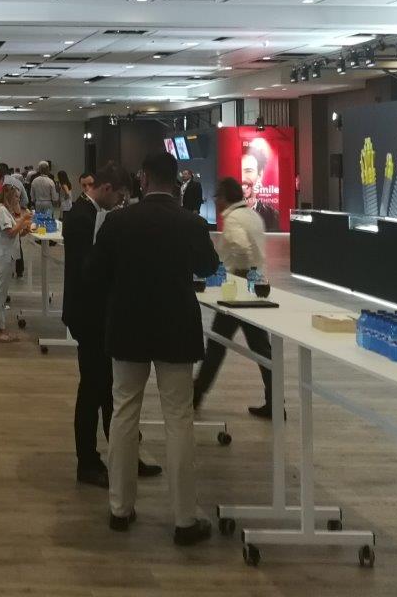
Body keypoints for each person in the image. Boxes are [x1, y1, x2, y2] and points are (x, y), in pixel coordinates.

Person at [91, 151, 219, 545]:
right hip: (176, 328)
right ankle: (184, 519)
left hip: (127, 326)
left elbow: (95, 273)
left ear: (143, 179)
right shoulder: (191, 222)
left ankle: (120, 509)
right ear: (175, 181)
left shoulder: (118, 221)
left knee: (124, 412)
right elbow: (208, 267)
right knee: (178, 418)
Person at [63, 164, 161, 486]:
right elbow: (88, 271)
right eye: (119, 197)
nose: (120, 203)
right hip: (89, 315)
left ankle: (123, 456)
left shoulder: (90, 214)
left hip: (97, 314)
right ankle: (88, 462)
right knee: (93, 390)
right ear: (106, 188)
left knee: (108, 389)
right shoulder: (82, 217)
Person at [194, 177, 274, 418]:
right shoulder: (252, 216)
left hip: (238, 292)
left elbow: (241, 247)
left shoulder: (234, 219)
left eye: (217, 197)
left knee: (218, 343)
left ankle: (195, 395)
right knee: (261, 348)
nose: (216, 201)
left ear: (224, 197)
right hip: (253, 288)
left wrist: (240, 273)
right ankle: (274, 400)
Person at [0, 184, 31, 342]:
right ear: (9, 196)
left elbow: (14, 232)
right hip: (3, 256)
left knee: (2, 295)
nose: (18, 200)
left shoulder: (6, 211)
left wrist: (24, 229)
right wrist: (23, 220)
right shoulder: (1, 211)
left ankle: (0, 327)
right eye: (16, 197)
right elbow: (9, 232)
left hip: (6, 256)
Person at [240, 143, 279, 231]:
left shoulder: (273, 216)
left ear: (260, 175)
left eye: (248, 171)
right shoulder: (229, 214)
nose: (242, 178)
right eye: (238, 170)